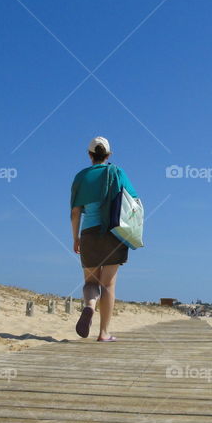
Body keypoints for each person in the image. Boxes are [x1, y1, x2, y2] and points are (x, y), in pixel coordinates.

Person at [70, 136, 138, 342]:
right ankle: (103, 333)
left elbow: (75, 212)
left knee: (91, 281)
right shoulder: (117, 173)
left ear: (89, 155)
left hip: (89, 233)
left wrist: (75, 238)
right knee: (108, 285)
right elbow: (133, 202)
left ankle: (89, 305)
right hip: (114, 233)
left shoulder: (81, 177)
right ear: (108, 155)